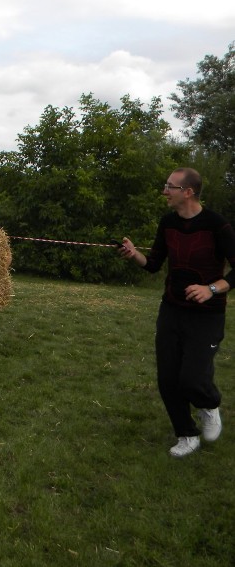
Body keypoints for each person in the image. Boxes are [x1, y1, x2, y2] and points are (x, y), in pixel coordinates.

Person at [118, 167, 235, 458]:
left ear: (188, 192)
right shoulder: (168, 222)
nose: (164, 191)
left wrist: (211, 288)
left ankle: (209, 405)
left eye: (169, 186)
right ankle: (186, 434)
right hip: (171, 310)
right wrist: (134, 255)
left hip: (207, 314)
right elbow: (155, 263)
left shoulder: (216, 225)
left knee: (193, 379)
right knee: (168, 378)